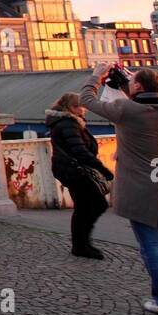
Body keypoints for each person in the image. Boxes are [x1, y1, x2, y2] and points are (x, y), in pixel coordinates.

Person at [80, 63, 158, 315]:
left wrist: (97, 75)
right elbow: (147, 103)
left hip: (140, 189)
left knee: (151, 246)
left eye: (133, 80)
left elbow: (86, 99)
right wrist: (131, 82)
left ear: (137, 87)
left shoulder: (127, 110)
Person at [45, 91, 113, 259]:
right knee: (95, 204)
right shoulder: (69, 124)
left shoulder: (65, 122)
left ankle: (81, 243)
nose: (82, 110)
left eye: (82, 106)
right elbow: (79, 150)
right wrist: (103, 169)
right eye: (77, 106)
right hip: (75, 170)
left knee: (84, 206)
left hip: (70, 170)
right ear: (68, 107)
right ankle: (81, 245)